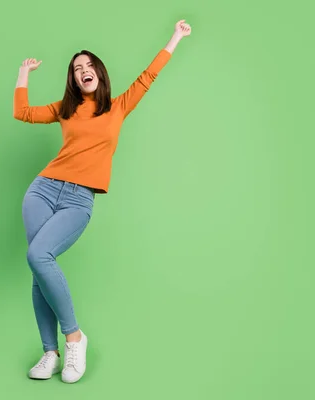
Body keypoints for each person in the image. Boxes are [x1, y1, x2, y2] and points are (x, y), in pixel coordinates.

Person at [12, 19, 192, 383]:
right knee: (38, 269)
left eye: (88, 65)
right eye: (77, 69)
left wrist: (175, 36)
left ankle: (74, 337)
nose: (83, 71)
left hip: (79, 199)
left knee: (38, 256)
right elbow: (23, 113)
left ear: (99, 72)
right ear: (73, 80)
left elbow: (148, 77)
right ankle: (50, 352)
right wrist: (22, 74)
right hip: (43, 189)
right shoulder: (65, 107)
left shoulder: (118, 107)